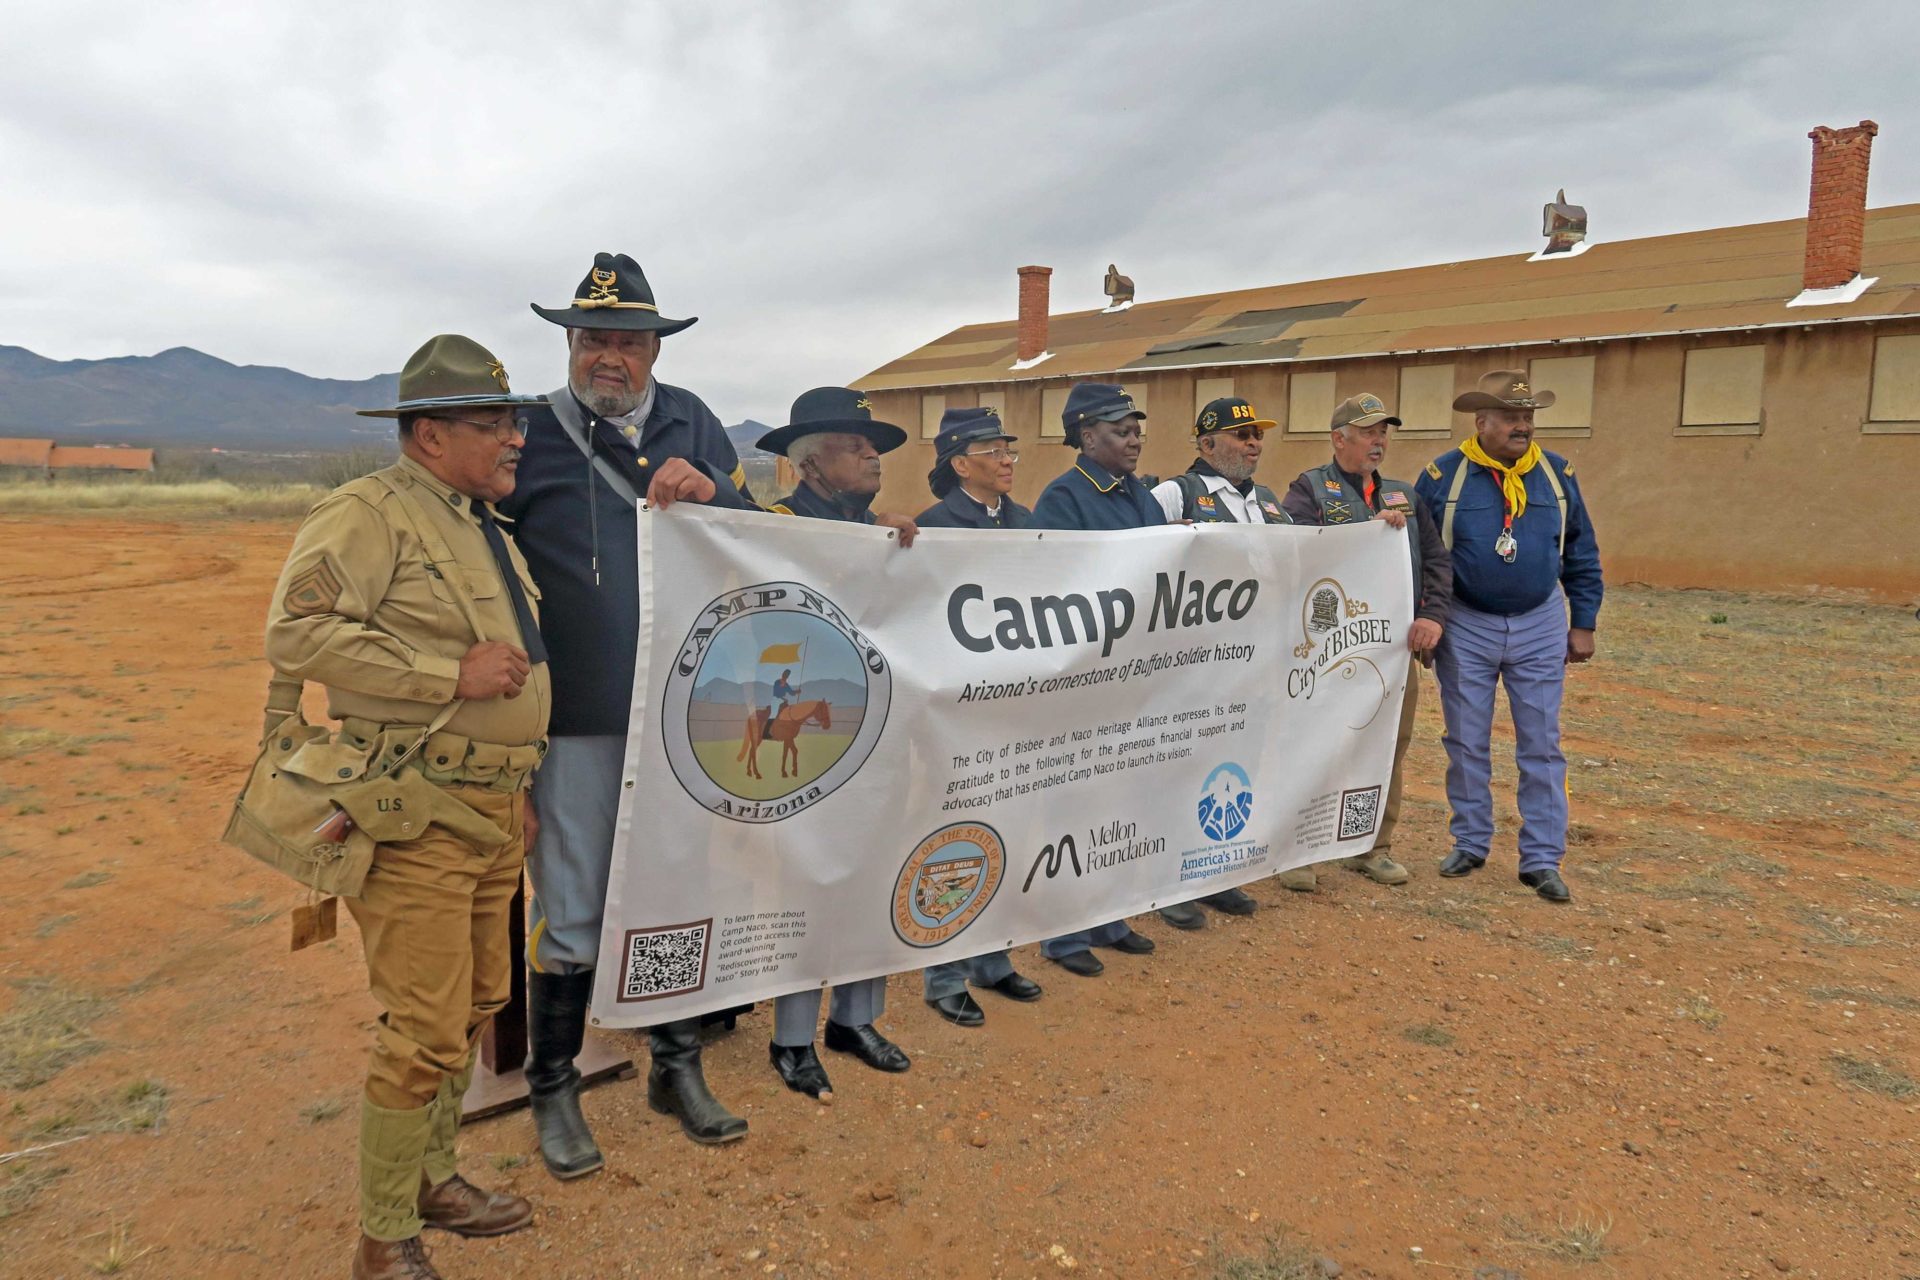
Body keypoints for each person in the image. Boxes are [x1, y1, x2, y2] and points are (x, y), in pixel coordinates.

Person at [266, 334, 549, 1280]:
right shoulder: (368, 515)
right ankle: (384, 1238)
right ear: (427, 435)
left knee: (476, 1000)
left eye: (513, 421)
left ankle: (434, 1179)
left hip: (491, 810)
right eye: (490, 423)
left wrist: (523, 784)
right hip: (413, 813)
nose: (513, 438)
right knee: (422, 1025)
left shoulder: (480, 526)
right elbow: (297, 633)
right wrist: (445, 673)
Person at [500, 253, 755, 1171]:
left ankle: (674, 1064)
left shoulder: (695, 420)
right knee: (570, 905)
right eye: (594, 338)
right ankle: (554, 1088)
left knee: (681, 889)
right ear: (571, 344)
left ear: (655, 349)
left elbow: (752, 531)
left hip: (686, 715)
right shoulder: (526, 435)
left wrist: (717, 491)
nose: (611, 356)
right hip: (578, 716)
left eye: (629, 341)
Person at [756, 387, 919, 1095]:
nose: (873, 454)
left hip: (877, 721)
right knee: (810, 876)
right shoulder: (781, 527)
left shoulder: (877, 529)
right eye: (858, 446)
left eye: (872, 445)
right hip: (821, 737)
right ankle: (791, 1036)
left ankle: (855, 1017)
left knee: (872, 867)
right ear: (811, 462)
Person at [1413, 370, 1603, 903]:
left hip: (1540, 621)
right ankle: (1471, 841)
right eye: (1512, 417)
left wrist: (1582, 621)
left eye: (1528, 417)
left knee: (1541, 743)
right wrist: (1429, 617)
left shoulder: (1557, 475)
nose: (1523, 426)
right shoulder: (1443, 477)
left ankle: (1542, 858)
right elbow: (1423, 556)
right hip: (1466, 624)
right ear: (1482, 422)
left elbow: (1580, 550)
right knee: (1466, 739)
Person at [1283, 393, 1453, 892]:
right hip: (1329, 651)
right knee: (1321, 744)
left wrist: (1431, 618)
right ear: (1340, 438)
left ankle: (1372, 845)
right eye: (1369, 431)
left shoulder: (1405, 494)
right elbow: (1296, 551)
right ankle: (1300, 847)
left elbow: (1438, 563)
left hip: (1392, 650)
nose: (1379, 441)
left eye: (1385, 432)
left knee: (1387, 746)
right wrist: (1365, 532)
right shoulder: (1310, 489)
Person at [913, 407, 1044, 1026]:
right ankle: (944, 974)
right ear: (960, 463)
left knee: (1010, 829)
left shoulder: (1026, 522)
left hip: (1016, 704)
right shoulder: (933, 527)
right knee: (956, 836)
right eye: (993, 449)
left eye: (1009, 447)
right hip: (960, 709)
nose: (1007, 459)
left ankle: (994, 958)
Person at [1029, 383, 1166, 972]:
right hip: (1086, 674)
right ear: (1087, 437)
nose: (1134, 440)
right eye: (1120, 431)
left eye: (1137, 430)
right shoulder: (1064, 498)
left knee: (1123, 796)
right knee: (1075, 805)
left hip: (1137, 670)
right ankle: (1063, 934)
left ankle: (1110, 916)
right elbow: (1058, 588)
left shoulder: (1142, 494)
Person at [1150, 395, 1294, 915]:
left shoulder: (1269, 502)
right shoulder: (1175, 493)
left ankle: (1214, 869)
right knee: (1184, 763)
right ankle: (1168, 880)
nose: (1254, 444)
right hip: (1192, 664)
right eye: (1242, 435)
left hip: (1257, 661)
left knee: (1235, 767)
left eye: (1258, 435)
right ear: (1207, 443)